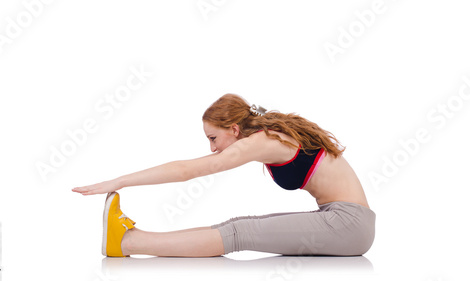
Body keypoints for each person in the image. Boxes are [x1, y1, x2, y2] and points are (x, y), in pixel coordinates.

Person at [72, 93, 376, 258]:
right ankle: (132, 239)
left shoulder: (263, 140)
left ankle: (127, 245)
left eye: (213, 139)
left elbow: (187, 170)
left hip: (349, 225)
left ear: (234, 129)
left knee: (239, 232)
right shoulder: (266, 135)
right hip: (345, 221)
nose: (212, 148)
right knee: (234, 227)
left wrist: (119, 181)